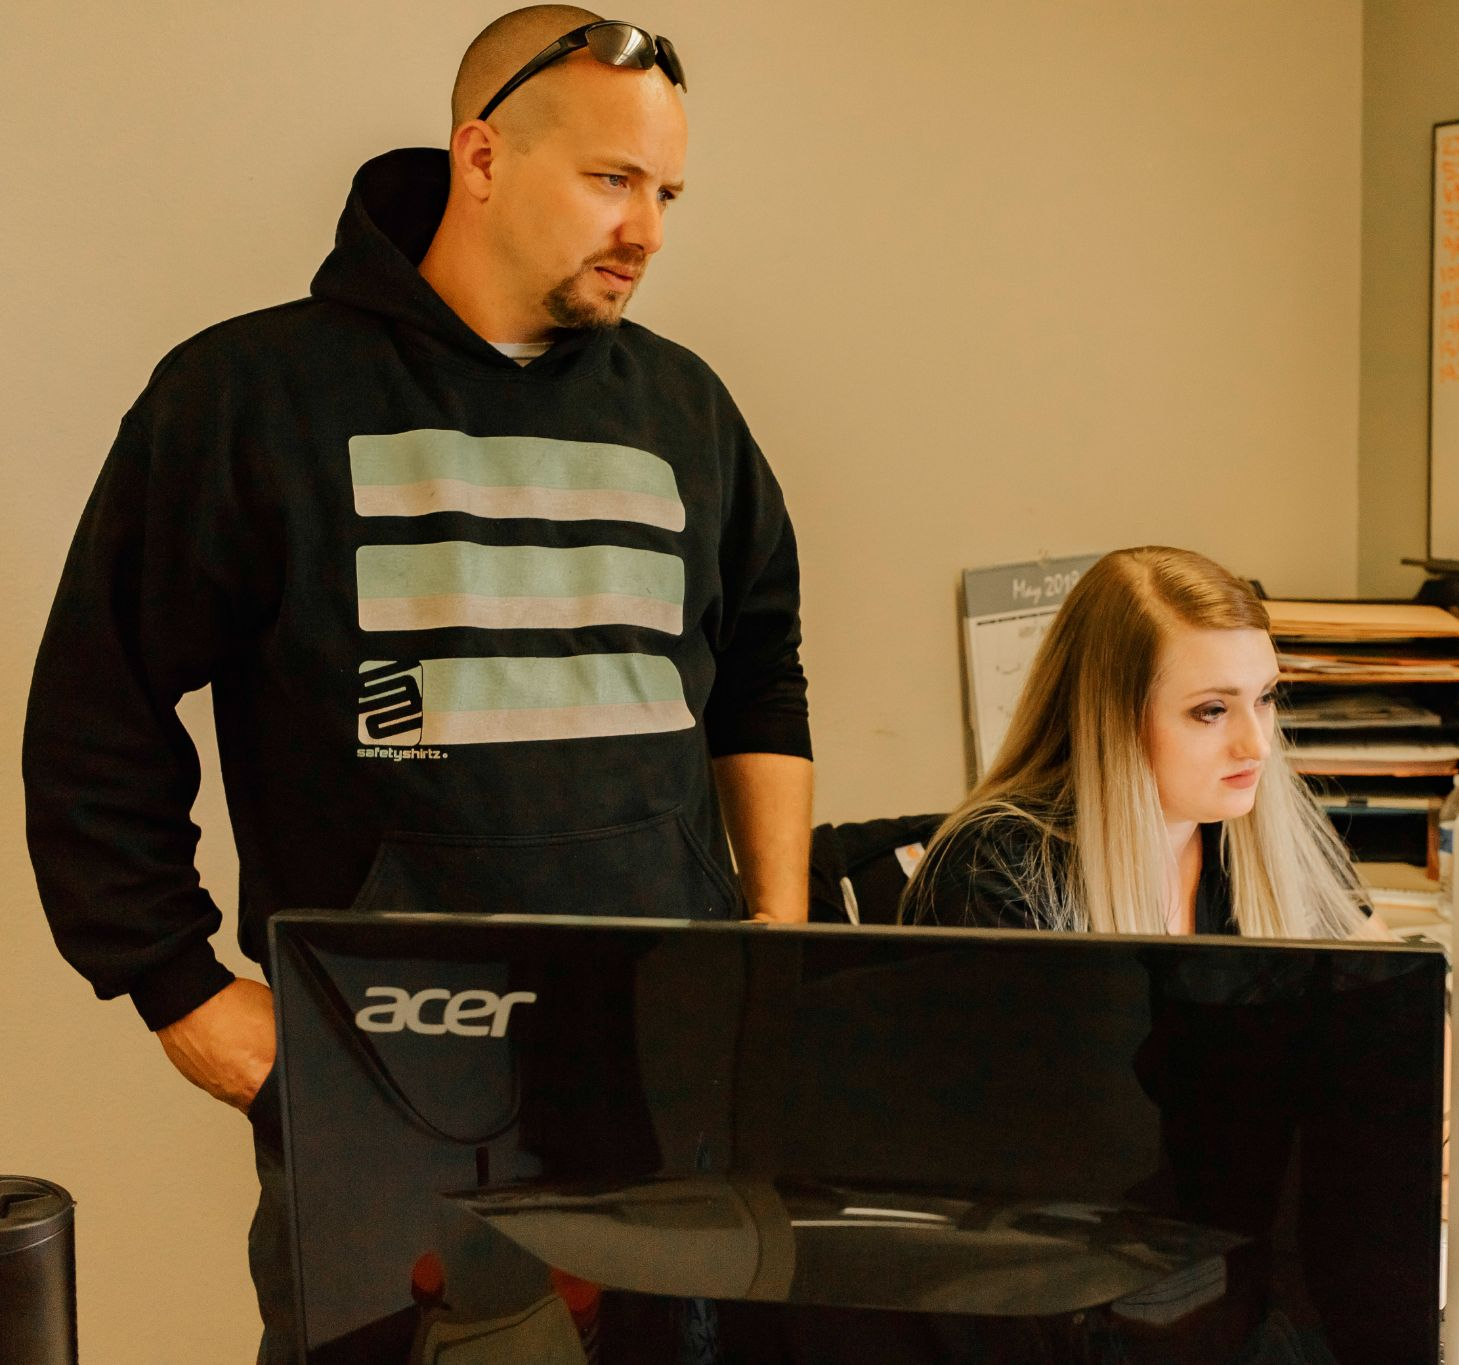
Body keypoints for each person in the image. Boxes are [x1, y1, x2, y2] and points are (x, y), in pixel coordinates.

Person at [22, 7, 812, 1356]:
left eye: (669, 192)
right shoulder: (248, 396)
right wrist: (179, 991)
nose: (650, 232)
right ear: (483, 156)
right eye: (614, 180)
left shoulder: (687, 411)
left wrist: (774, 951)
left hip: (668, 1084)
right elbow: (96, 717)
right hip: (389, 1092)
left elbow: (756, 674)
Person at [902, 545, 1383, 939]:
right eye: (1212, 711)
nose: (1257, 746)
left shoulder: (1261, 814)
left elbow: (1404, 1008)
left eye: (1265, 697)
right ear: (1111, 722)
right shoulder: (990, 879)